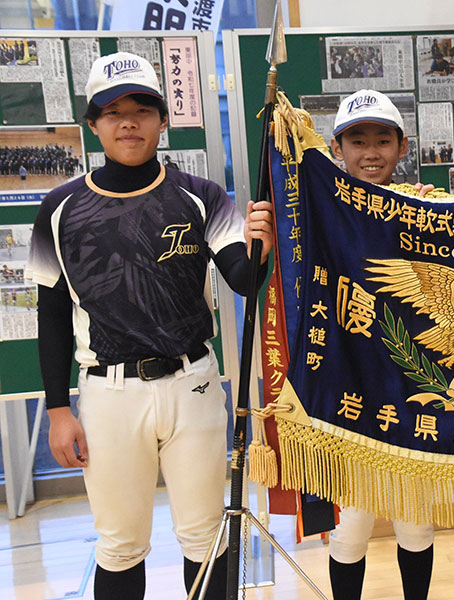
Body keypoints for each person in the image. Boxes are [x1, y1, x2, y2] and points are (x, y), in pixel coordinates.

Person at [26, 52, 274, 600]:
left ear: (163, 120)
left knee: (207, 539)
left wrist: (262, 249)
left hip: (194, 384)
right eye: (112, 112)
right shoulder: (59, 208)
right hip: (109, 394)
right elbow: (51, 317)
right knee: (118, 545)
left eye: (142, 108)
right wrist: (59, 411)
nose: (129, 122)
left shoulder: (202, 196)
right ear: (93, 124)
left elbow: (243, 280)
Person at [327, 89, 435, 600]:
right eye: (358, 140)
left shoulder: (422, 207)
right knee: (350, 526)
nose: (371, 152)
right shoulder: (317, 212)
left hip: (409, 384)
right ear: (336, 148)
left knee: (416, 523)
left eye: (383, 140)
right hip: (347, 388)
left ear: (403, 145)